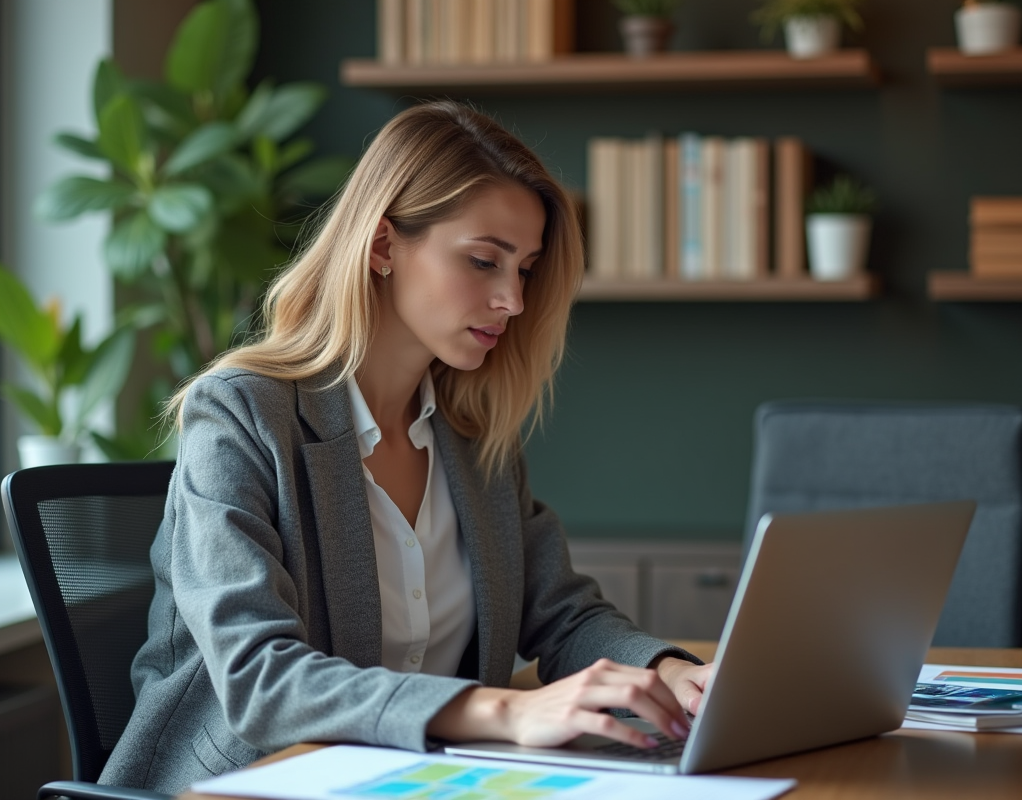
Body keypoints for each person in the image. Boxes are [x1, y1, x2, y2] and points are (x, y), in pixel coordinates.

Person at [100, 100, 708, 793]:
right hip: (251, 781)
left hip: (422, 779)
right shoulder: (241, 414)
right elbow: (259, 678)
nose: (512, 299)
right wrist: (505, 711)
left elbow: (563, 617)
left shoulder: (472, 441)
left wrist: (671, 675)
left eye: (526, 270)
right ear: (383, 246)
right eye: (483, 261)